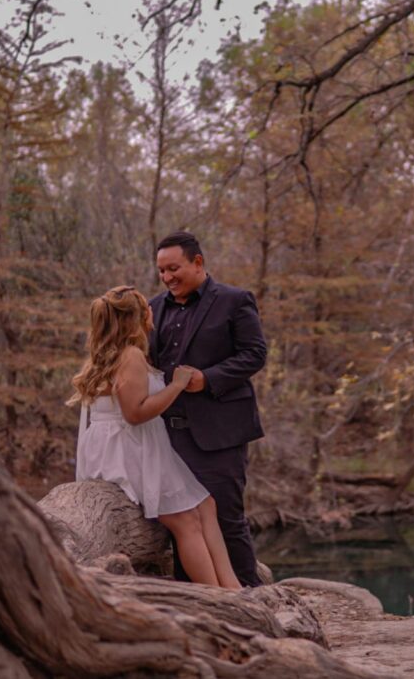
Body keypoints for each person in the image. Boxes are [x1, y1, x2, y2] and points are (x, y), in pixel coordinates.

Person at [69, 285, 240, 590]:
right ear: (138, 317)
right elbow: (135, 414)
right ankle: (217, 597)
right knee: (185, 521)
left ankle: (233, 588)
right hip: (127, 449)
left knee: (206, 504)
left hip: (132, 443)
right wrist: (177, 385)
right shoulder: (131, 356)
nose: (153, 311)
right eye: (147, 307)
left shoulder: (113, 353)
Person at [149, 231, 266, 587]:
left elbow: (255, 354)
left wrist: (208, 379)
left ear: (197, 262)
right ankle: (198, 602)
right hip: (165, 436)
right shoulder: (152, 308)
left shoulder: (234, 300)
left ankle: (253, 600)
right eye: (161, 271)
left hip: (219, 434)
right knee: (184, 522)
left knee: (227, 519)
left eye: (174, 269)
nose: (167, 277)